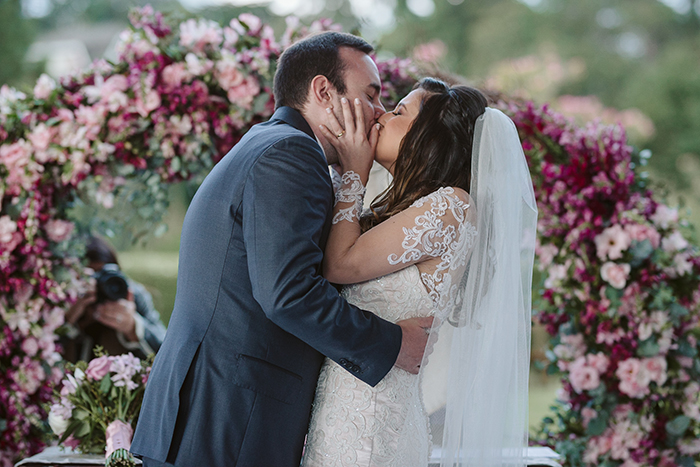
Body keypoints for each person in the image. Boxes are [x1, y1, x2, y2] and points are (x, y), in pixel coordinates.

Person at [130, 32, 433, 467]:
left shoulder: (267, 142)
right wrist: (391, 344)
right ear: (324, 91)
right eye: (371, 96)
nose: (380, 113)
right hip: (228, 418)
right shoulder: (291, 155)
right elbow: (288, 292)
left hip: (210, 411)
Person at [302, 78, 538, 466]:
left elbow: (339, 264)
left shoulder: (452, 207)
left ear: (430, 138)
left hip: (371, 429)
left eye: (399, 112)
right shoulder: (405, 208)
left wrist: (354, 172)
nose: (380, 115)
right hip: (345, 412)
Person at [62, 235, 166, 362]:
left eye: (104, 274)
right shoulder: (62, 298)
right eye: (91, 277)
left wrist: (133, 327)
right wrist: (67, 319)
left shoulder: (130, 294)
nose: (98, 286)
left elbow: (167, 352)